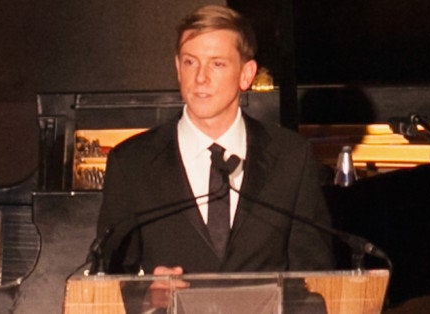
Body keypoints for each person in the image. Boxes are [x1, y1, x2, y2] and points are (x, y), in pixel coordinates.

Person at [96, 4, 335, 279]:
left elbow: (316, 276)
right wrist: (146, 294)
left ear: (246, 74)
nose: (200, 78)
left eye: (217, 64)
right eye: (190, 62)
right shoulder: (131, 162)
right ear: (177, 68)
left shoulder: (292, 157)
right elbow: (109, 276)